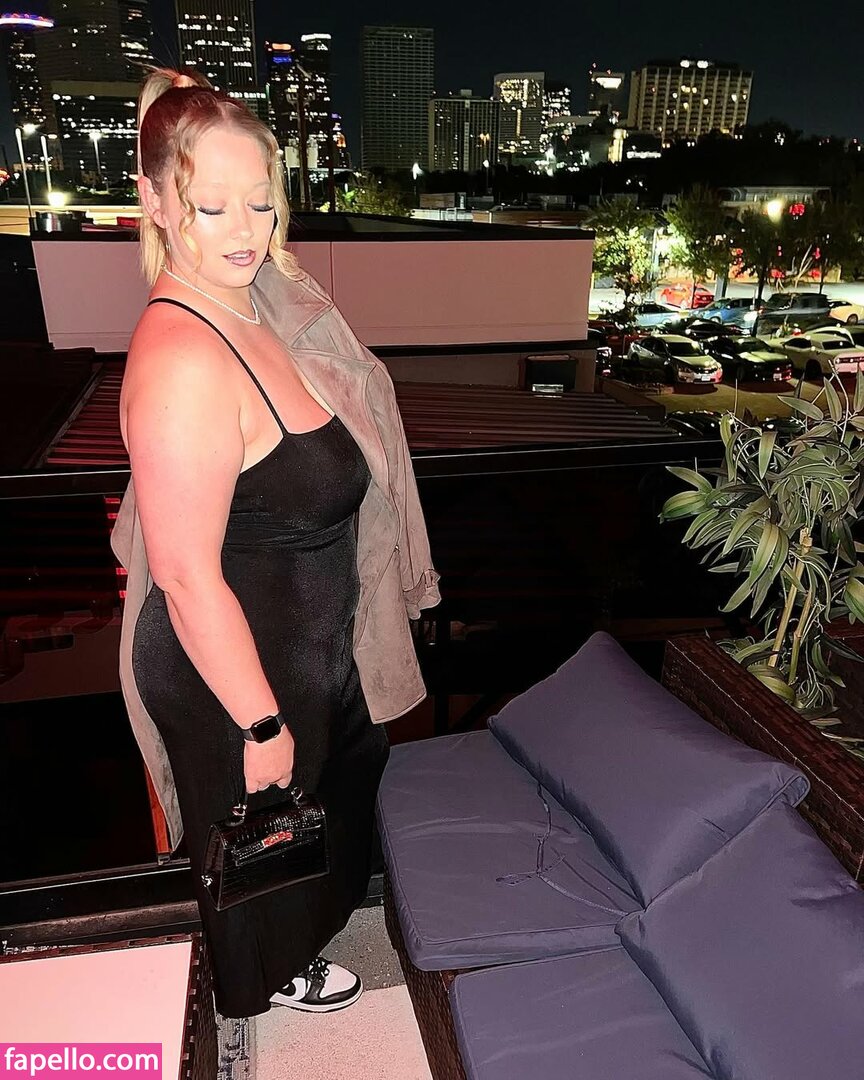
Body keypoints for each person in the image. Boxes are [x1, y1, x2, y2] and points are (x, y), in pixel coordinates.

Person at [112, 67, 440, 1020]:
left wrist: (187, 106)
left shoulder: (257, 301)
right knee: (260, 855)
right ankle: (263, 982)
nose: (245, 230)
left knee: (334, 810)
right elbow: (183, 575)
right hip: (233, 673)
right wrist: (259, 725)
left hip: (313, 645)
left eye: (260, 201)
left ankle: (301, 940)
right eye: (210, 206)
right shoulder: (182, 359)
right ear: (157, 204)